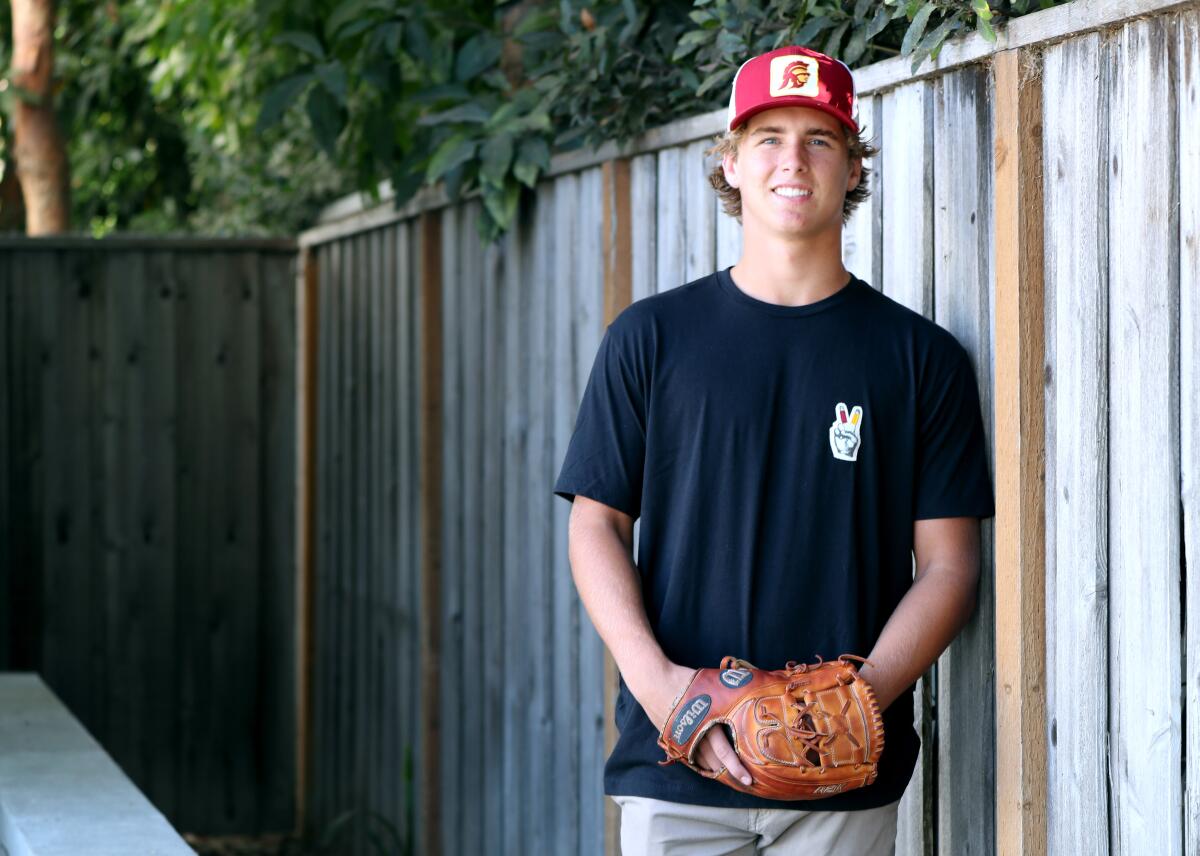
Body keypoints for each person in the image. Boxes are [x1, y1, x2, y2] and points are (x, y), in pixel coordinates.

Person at [553, 44, 994, 855]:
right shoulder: (650, 339)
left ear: (855, 166)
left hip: (844, 782)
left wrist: (849, 707)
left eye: (820, 139)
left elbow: (950, 566)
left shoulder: (919, 358)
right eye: (768, 136)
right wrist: (669, 698)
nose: (793, 159)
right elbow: (596, 527)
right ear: (729, 159)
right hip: (675, 769)